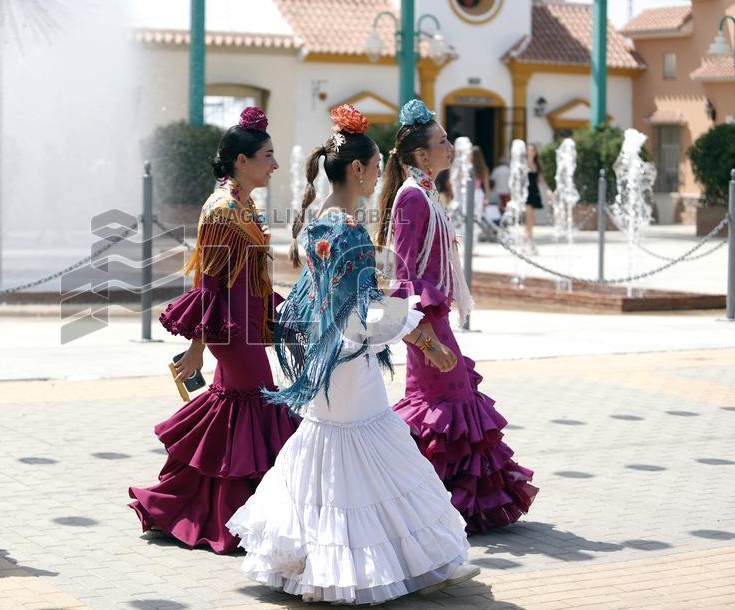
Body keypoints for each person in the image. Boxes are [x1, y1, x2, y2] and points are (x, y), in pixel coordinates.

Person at [227, 105, 479, 603]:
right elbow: (362, 309)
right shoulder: (347, 229)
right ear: (358, 169)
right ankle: (395, 562)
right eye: (378, 165)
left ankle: (323, 558)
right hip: (348, 359)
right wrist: (422, 337)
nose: (381, 174)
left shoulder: (319, 220)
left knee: (331, 456)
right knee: (373, 455)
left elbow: (330, 300)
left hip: (328, 356)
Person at [128, 107, 298, 554]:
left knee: (232, 418)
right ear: (242, 160)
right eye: (268, 155)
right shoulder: (223, 209)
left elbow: (244, 277)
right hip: (230, 332)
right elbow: (210, 284)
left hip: (244, 325)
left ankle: (175, 508)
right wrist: (198, 348)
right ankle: (241, 517)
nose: (275, 164)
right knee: (254, 409)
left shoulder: (242, 203)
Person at [375, 99, 538, 533]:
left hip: (435, 315)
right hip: (426, 319)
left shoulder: (426, 191)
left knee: (446, 404)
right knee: (446, 407)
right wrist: (424, 335)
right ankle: (427, 502)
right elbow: (404, 274)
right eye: (443, 141)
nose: (451, 147)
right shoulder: (413, 197)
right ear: (422, 154)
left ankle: (431, 500)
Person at [525, 143, 547, 252]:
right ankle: (531, 243)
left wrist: (548, 191)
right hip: (526, 194)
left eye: (532, 150)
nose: (531, 152)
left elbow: (541, 180)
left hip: (534, 193)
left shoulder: (537, 165)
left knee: (531, 219)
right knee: (529, 219)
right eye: (529, 150)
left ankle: (525, 243)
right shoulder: (523, 164)